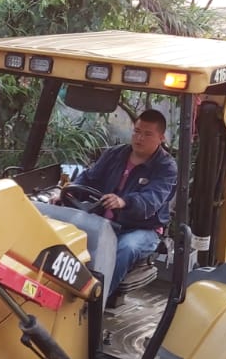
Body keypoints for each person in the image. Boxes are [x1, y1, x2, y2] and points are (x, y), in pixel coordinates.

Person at [69, 109, 178, 302]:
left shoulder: (166, 168)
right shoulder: (114, 155)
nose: (139, 138)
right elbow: (88, 178)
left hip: (142, 228)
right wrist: (67, 191)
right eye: (136, 131)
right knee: (68, 233)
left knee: (126, 247)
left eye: (147, 134)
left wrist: (124, 201)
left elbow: (151, 201)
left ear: (161, 138)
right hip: (104, 222)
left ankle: (95, 304)